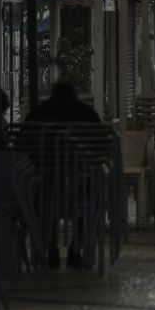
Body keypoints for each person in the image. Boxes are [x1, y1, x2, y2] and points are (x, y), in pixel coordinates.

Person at [26, 81, 100, 269]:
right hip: (81, 186)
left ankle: (51, 248)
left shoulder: (39, 114)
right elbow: (99, 151)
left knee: (46, 206)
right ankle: (76, 250)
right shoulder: (88, 115)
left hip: (46, 188)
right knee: (88, 205)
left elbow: (25, 149)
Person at [27, 81, 101, 123]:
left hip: (46, 149)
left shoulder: (41, 111)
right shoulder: (87, 113)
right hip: (80, 149)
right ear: (74, 95)